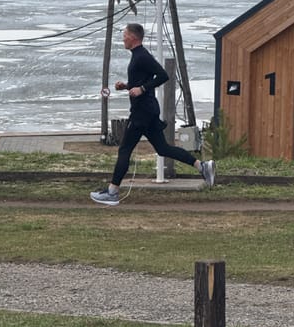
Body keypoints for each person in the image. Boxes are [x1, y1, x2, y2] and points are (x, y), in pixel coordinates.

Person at [90, 22, 216, 206]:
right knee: (163, 148)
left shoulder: (142, 56)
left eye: (125, 35)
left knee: (124, 149)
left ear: (133, 37)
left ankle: (112, 192)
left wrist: (141, 88)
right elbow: (144, 81)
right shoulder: (137, 56)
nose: (123, 38)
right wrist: (126, 86)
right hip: (147, 109)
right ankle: (202, 166)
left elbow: (163, 75)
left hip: (142, 112)